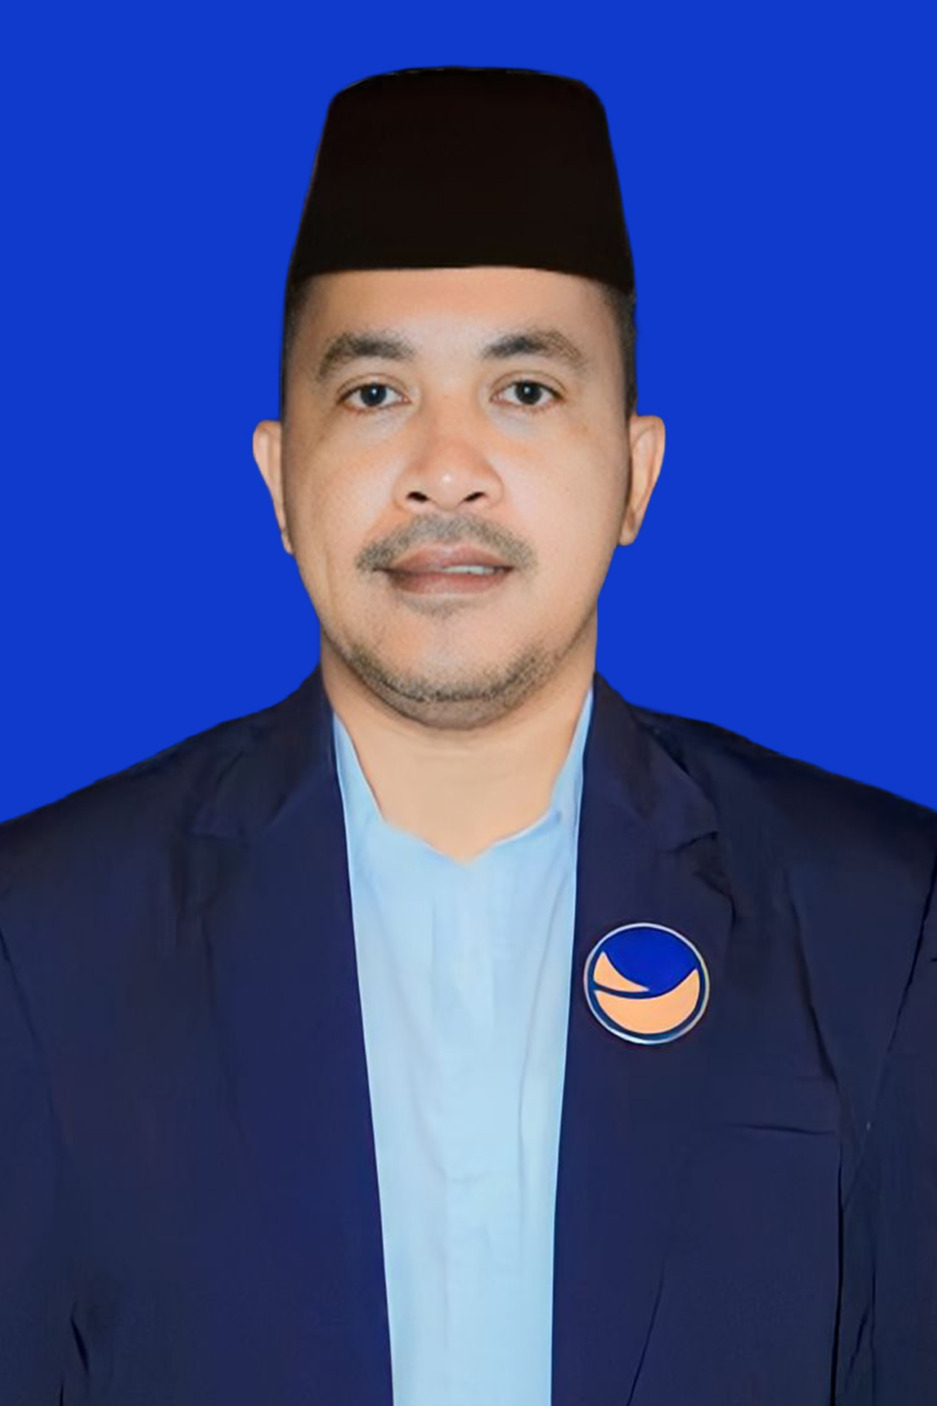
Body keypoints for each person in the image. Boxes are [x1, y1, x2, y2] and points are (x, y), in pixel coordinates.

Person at [0, 65, 934, 1406]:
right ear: (278, 476)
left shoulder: (882, 926)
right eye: (375, 393)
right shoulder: (41, 943)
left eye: (527, 391)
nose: (446, 469)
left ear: (636, 473)